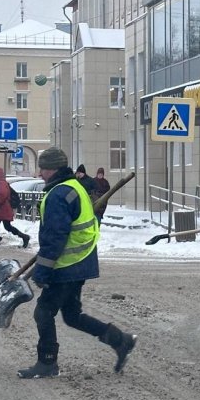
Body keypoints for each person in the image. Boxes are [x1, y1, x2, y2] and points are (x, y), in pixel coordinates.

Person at [18, 147, 137, 378]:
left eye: (42, 168)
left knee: (43, 312)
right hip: (80, 262)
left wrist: (42, 272)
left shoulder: (58, 194)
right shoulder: (75, 187)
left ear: (51, 169)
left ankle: (47, 363)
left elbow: (55, 238)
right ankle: (121, 341)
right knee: (72, 316)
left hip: (67, 266)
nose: (39, 173)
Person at [0, 166, 30, 249]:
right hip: (1, 208)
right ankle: (24, 237)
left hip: (2, 208)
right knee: (6, 226)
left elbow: (3, 195)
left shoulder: (1, 183)